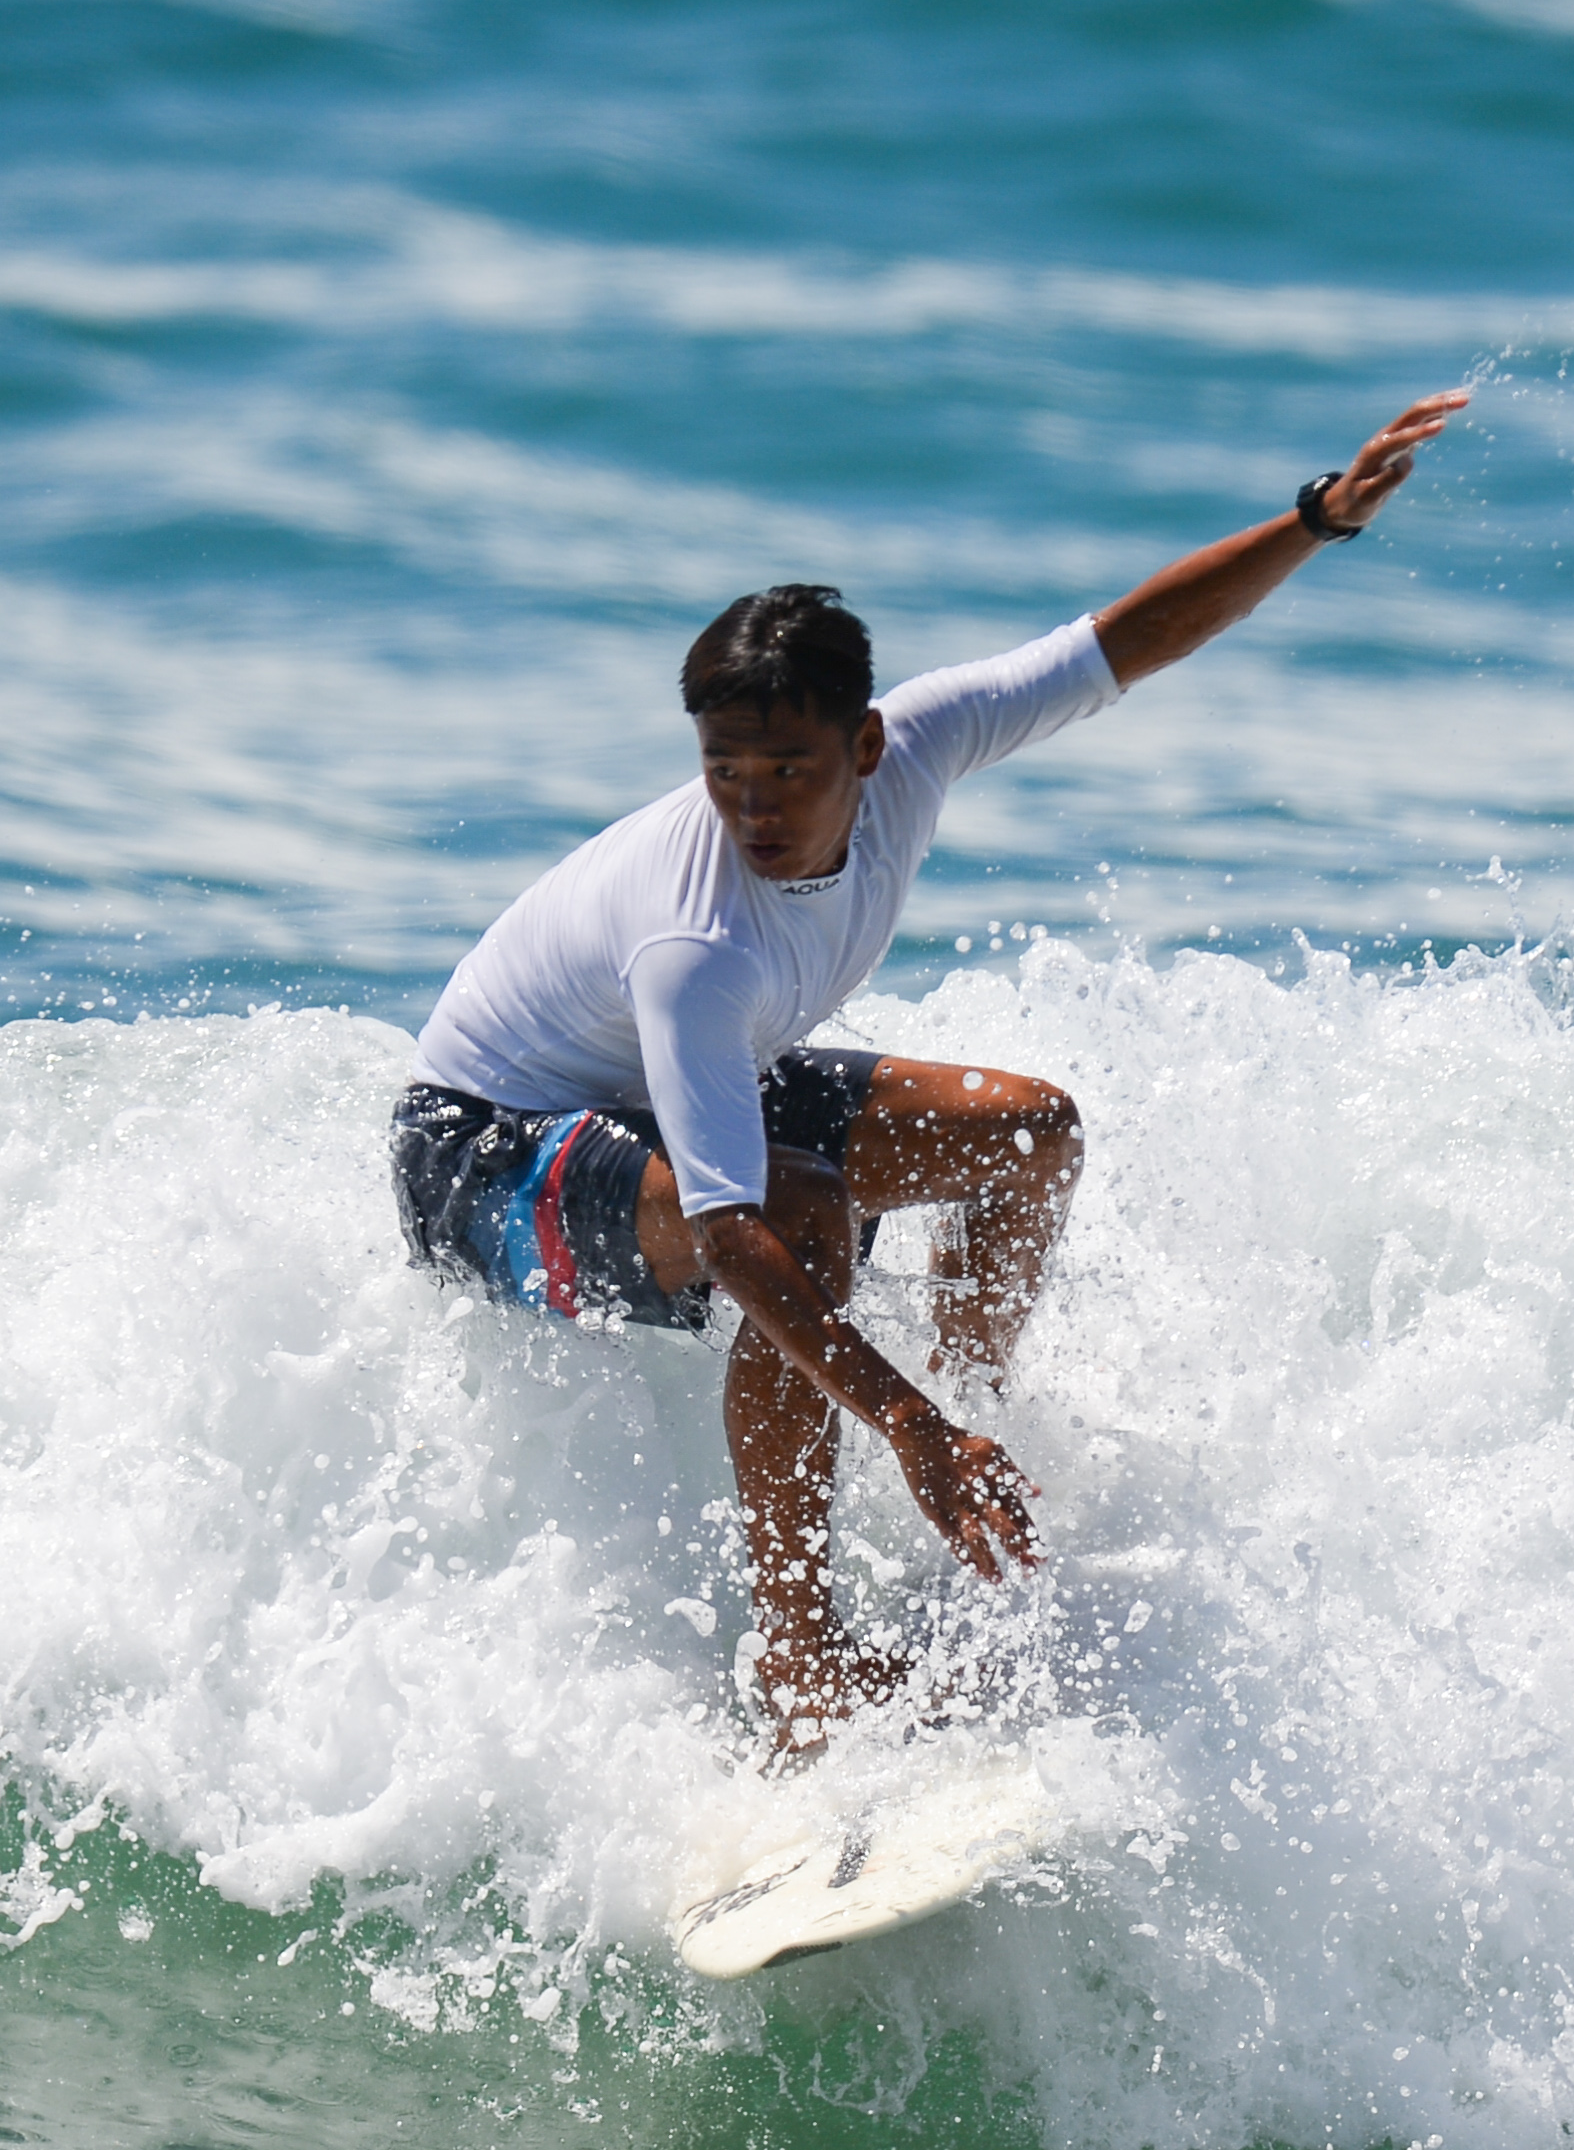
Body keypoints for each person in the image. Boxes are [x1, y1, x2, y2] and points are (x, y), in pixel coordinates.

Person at [392, 390, 1468, 1750]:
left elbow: (1125, 645)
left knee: (1027, 1132)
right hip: (479, 1151)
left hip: (641, 1093)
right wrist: (896, 1425)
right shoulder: (695, 940)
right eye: (726, 772)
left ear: (865, 746)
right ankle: (802, 1666)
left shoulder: (925, 744)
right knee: (797, 1223)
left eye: (787, 769)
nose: (756, 807)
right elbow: (731, 1232)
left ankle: (981, 1457)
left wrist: (1315, 522)